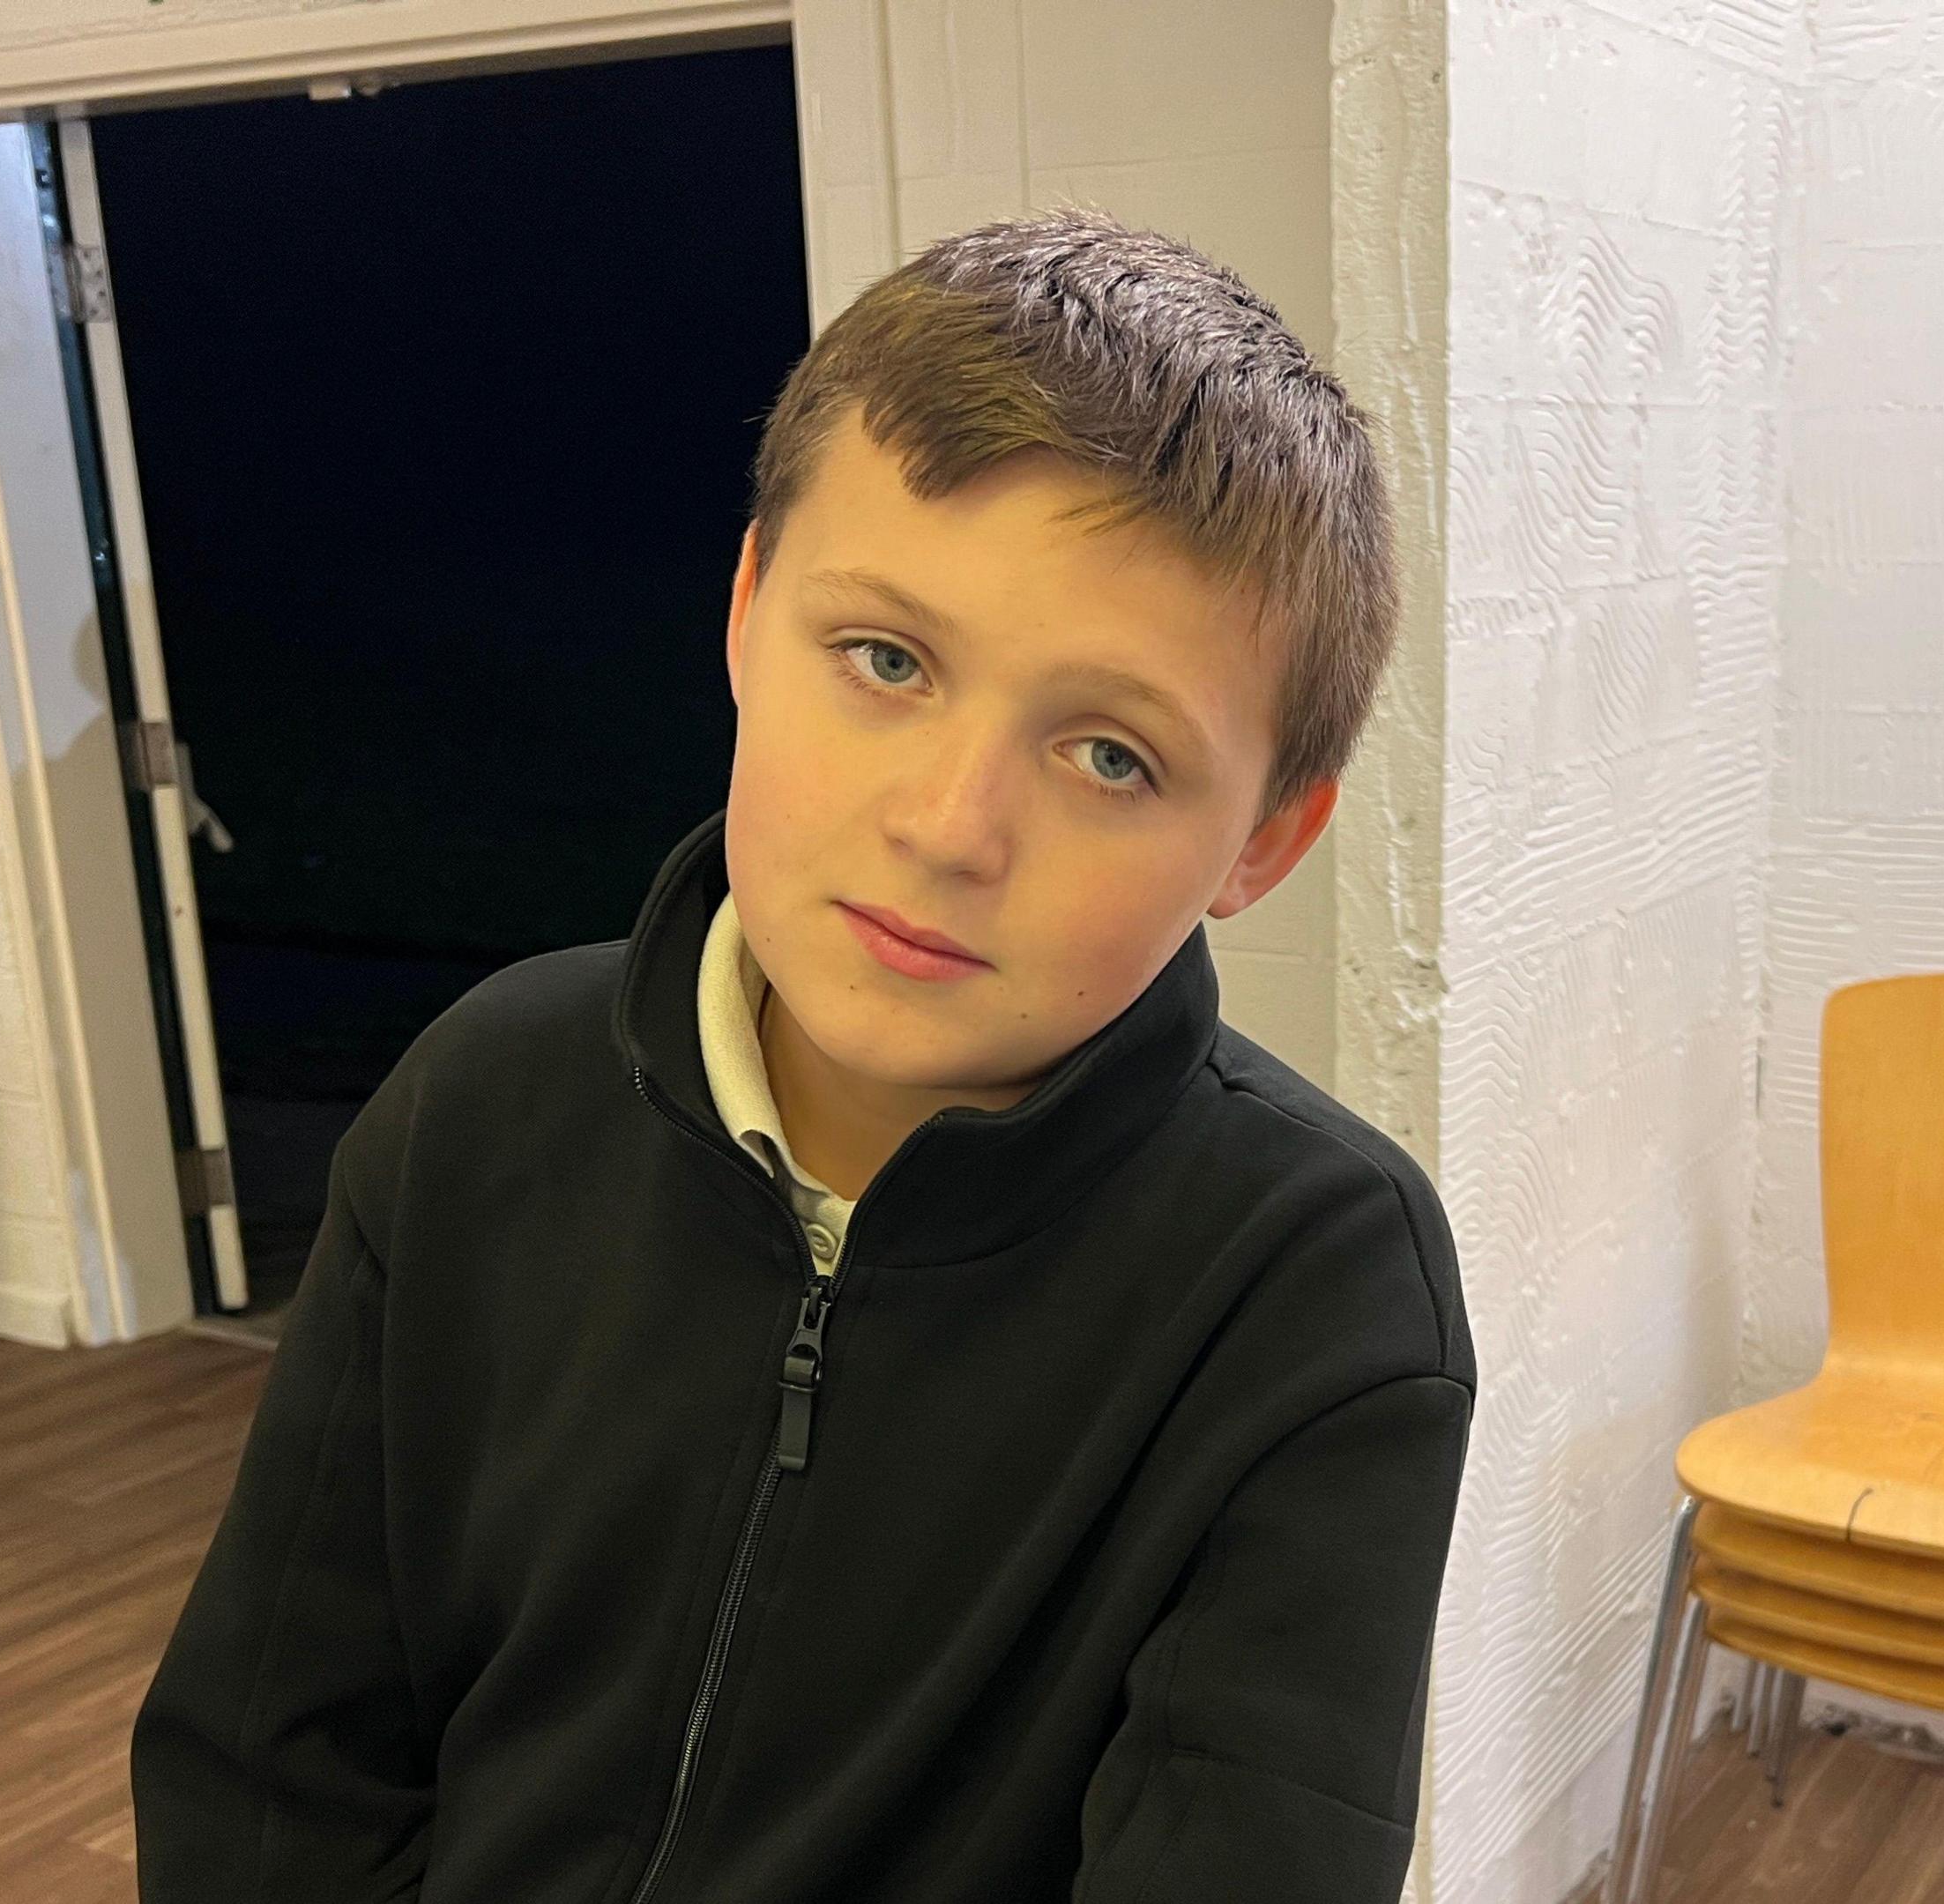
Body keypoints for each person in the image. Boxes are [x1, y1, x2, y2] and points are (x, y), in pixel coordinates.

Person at [129, 208, 1477, 1901]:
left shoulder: (1320, 1287)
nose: (950, 826)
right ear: (748, 611)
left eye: (1111, 756)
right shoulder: (482, 1101)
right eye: (887, 659)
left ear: (1266, 840)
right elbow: (270, 1753)